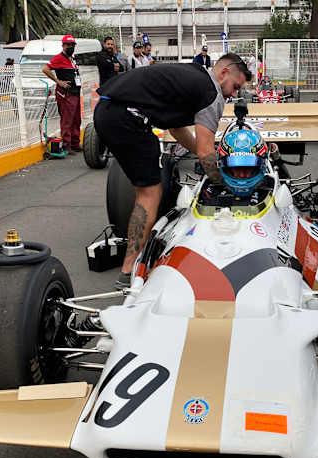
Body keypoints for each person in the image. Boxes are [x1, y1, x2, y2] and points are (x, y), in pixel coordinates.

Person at [92, 54, 251, 288]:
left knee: (146, 187)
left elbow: (177, 131)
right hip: (129, 118)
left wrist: (207, 153)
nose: (234, 95)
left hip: (105, 111)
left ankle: (133, 260)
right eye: (235, 87)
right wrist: (225, 182)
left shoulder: (193, 76)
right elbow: (206, 153)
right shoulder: (212, 93)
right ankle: (128, 272)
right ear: (224, 73)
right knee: (149, 193)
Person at [42, 34, 82, 153]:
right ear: (63, 45)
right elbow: (45, 69)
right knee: (67, 120)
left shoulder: (72, 59)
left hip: (75, 93)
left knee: (76, 119)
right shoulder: (59, 58)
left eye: (72, 45)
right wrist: (58, 81)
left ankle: (75, 144)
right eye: (68, 45)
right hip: (66, 94)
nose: (71, 47)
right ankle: (66, 145)